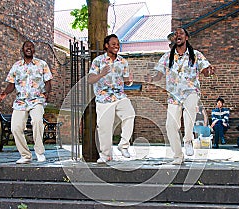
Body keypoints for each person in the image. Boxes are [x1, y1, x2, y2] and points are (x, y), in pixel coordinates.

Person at [148, 27, 215, 165]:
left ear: (186, 38)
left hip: (191, 91)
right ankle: (178, 155)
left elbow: (205, 71)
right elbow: (158, 74)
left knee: (190, 110)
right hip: (174, 95)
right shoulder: (167, 56)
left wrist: (210, 71)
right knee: (170, 125)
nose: (178, 35)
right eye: (176, 34)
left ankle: (188, 139)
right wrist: (151, 78)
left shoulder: (195, 54)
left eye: (181, 33)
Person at [0, 40, 52, 164]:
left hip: (37, 99)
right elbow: (11, 84)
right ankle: (25, 155)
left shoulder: (42, 64)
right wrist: (5, 93)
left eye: (31, 47)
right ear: (22, 50)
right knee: (15, 127)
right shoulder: (16, 66)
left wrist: (47, 93)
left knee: (37, 121)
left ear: (34, 50)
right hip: (21, 101)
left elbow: (48, 82)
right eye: (27, 47)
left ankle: (39, 152)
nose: (29, 48)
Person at [88, 34, 135, 164]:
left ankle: (123, 145)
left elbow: (126, 81)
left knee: (130, 114)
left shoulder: (123, 62)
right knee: (104, 128)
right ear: (106, 46)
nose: (116, 46)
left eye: (118, 44)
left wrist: (129, 81)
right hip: (103, 97)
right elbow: (90, 79)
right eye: (113, 44)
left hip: (119, 96)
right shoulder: (98, 61)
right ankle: (106, 155)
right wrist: (101, 74)